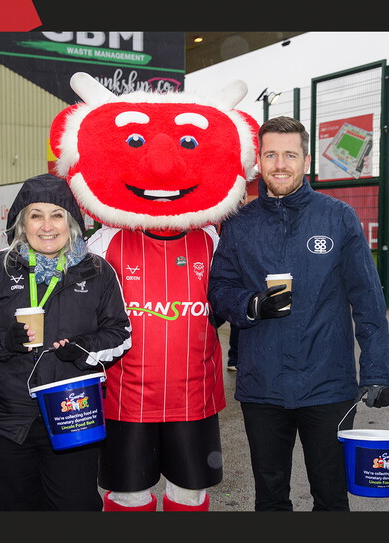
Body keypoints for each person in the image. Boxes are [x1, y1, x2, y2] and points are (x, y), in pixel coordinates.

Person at [49, 72, 259, 511]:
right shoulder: (103, 242)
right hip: (123, 396)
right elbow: (63, 295)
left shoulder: (212, 240)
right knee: (128, 493)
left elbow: (232, 296)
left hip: (195, 394)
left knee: (190, 491)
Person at [208, 116, 389, 511]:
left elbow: (367, 299)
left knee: (331, 497)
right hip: (262, 385)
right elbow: (219, 290)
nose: (280, 164)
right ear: (258, 161)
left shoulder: (337, 217)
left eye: (290, 155)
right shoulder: (239, 225)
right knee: (270, 498)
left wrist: (377, 372)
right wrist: (250, 305)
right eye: (271, 155)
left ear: (306, 161)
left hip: (328, 385)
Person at [0, 173, 132, 511]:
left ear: (72, 222)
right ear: (22, 223)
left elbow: (120, 334)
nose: (47, 226)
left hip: (74, 415)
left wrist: (85, 348)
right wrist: (4, 342)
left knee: (76, 509)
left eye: (57, 215)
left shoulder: (97, 272)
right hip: (4, 420)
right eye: (36, 216)